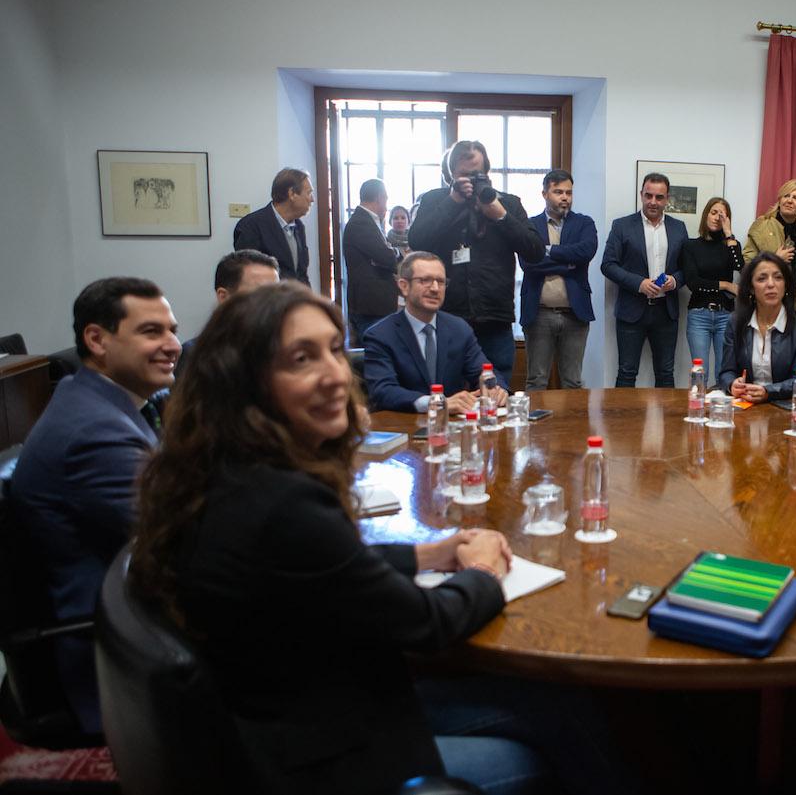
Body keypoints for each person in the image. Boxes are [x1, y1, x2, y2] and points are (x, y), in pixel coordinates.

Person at [125, 282, 554, 794]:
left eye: (333, 350)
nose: (335, 375)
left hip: (283, 710)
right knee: (558, 722)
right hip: (326, 755)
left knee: (544, 702)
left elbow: (332, 566)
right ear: (243, 381)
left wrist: (428, 552)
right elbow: (427, 625)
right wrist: (485, 569)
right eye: (302, 358)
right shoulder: (283, 504)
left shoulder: (217, 470)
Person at [10, 276, 180, 733]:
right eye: (152, 332)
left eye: (172, 330)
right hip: (115, 648)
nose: (173, 345)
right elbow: (186, 542)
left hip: (133, 607)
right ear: (96, 340)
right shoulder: (95, 433)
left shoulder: (100, 400)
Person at [408, 141, 545, 381]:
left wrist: (500, 215)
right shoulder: (435, 200)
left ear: (487, 173)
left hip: (495, 318)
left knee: (496, 394)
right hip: (447, 318)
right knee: (448, 393)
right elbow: (418, 240)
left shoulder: (508, 203)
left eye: (477, 174)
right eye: (463, 175)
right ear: (450, 175)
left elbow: (535, 251)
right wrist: (453, 201)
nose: (470, 181)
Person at [363, 251, 507, 414]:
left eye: (441, 281)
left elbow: (484, 370)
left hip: (453, 429)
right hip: (405, 427)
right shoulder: (380, 335)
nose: (435, 288)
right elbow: (383, 391)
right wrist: (436, 403)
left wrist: (495, 388)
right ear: (404, 286)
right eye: (425, 280)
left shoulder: (459, 328)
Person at [600, 172, 688, 387]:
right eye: (648, 196)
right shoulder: (622, 226)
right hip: (632, 311)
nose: (653, 202)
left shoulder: (679, 228)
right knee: (627, 373)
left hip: (666, 312)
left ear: (667, 199)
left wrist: (675, 281)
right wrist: (638, 284)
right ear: (641, 195)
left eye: (659, 197)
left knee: (666, 373)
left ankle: (666, 422)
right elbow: (608, 265)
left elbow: (688, 268)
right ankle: (624, 421)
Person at [519, 169, 597, 390]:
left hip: (575, 314)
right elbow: (528, 264)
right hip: (539, 313)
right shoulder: (530, 226)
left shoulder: (584, 224)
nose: (565, 197)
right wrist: (569, 263)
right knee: (536, 380)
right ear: (545, 194)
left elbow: (586, 252)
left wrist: (548, 251)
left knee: (573, 381)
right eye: (558, 192)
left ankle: (573, 427)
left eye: (569, 192)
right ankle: (532, 425)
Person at [719, 251, 796, 402]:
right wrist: (732, 384)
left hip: (785, 408)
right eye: (762, 279)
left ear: (786, 285)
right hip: (746, 406)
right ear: (751, 288)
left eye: (778, 278)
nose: (771, 284)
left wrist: (767, 392)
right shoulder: (736, 322)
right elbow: (726, 372)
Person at [176, 249, 279, 378]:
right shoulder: (196, 355)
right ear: (224, 297)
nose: (272, 302)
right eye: (260, 293)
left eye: (275, 294)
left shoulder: (286, 350)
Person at [681, 197, 743, 387]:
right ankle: (698, 413)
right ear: (706, 215)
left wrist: (729, 234)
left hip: (726, 315)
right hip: (699, 315)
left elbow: (740, 266)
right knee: (700, 374)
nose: (718, 217)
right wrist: (725, 285)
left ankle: (721, 415)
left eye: (723, 214)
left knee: (724, 374)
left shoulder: (731, 245)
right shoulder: (691, 246)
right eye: (714, 212)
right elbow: (693, 282)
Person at [744, 179, 796, 319]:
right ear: (780, 200)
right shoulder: (762, 225)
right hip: (768, 302)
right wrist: (775, 260)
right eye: (786, 196)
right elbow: (747, 265)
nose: (789, 201)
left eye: (795, 198)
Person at [343, 178, 402, 344]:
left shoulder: (368, 221)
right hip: (371, 307)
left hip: (374, 305)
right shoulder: (361, 222)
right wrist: (397, 251)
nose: (386, 204)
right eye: (386, 199)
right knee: (375, 356)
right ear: (379, 197)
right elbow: (387, 257)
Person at [233, 167, 314, 283]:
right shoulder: (251, 226)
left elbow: (301, 275)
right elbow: (250, 278)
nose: (312, 199)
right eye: (309, 193)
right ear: (292, 194)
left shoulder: (299, 226)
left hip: (295, 299)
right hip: (268, 300)